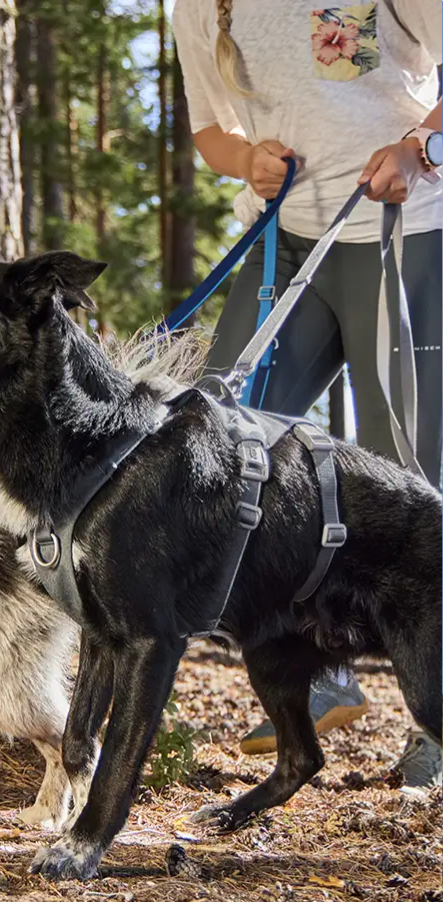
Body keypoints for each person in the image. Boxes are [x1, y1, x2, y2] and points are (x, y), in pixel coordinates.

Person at [173, 0, 442, 785]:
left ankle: (437, 726)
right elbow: (210, 131)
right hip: (282, 247)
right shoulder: (203, 4)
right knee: (231, 461)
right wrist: (245, 160)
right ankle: (318, 676)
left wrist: (420, 144)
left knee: (410, 485)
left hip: (405, 233)